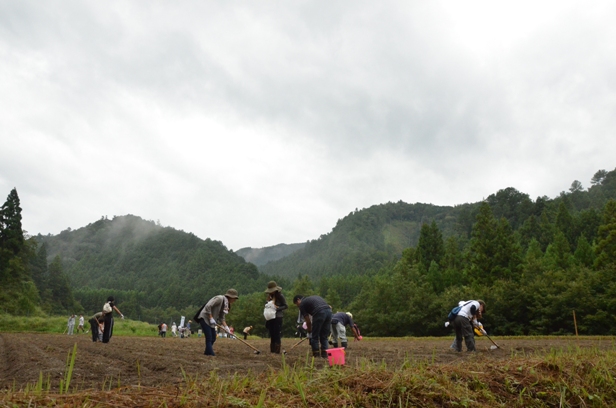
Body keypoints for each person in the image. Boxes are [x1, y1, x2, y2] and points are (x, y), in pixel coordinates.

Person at [194, 289, 239, 356]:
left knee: (213, 338)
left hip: (211, 321)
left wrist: (227, 328)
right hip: (205, 318)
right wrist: (211, 317)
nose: (234, 300)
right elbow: (208, 306)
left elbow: (221, 317)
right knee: (209, 337)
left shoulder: (226, 304)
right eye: (234, 298)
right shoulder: (219, 299)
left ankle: (207, 352)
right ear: (230, 297)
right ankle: (211, 353)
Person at [264, 281, 288, 354]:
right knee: (272, 333)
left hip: (278, 317)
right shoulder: (269, 297)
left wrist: (277, 308)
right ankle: (272, 350)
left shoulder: (280, 296)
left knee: (277, 333)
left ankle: (277, 350)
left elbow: (285, 306)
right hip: (270, 317)